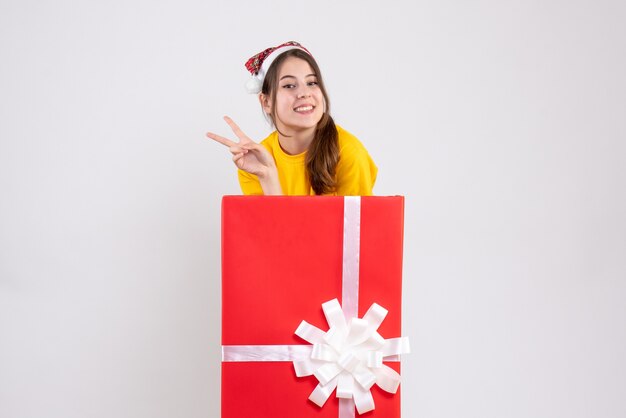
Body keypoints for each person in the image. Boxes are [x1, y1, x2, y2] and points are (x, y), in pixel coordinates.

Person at [206, 41, 377, 196]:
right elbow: (269, 231)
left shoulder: (349, 153)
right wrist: (268, 176)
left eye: (312, 82)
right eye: (289, 85)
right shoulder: (256, 161)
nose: (304, 93)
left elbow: (355, 229)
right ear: (266, 101)